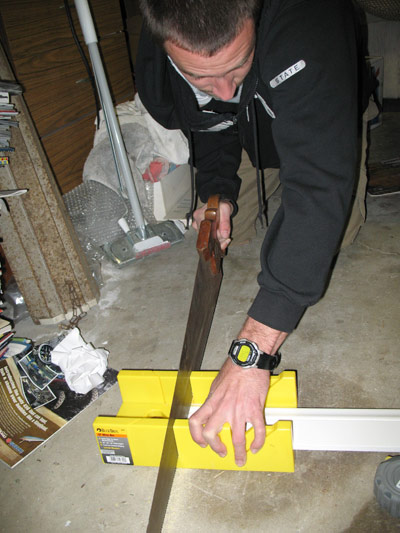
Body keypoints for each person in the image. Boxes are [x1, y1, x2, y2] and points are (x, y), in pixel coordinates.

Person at [136, 0, 370, 467]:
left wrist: (252, 354)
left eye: (238, 64)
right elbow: (213, 120)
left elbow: (321, 184)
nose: (223, 87)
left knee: (328, 238)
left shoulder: (306, 22)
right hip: (251, 125)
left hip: (319, 110)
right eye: (202, 77)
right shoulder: (157, 71)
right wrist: (217, 190)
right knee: (235, 234)